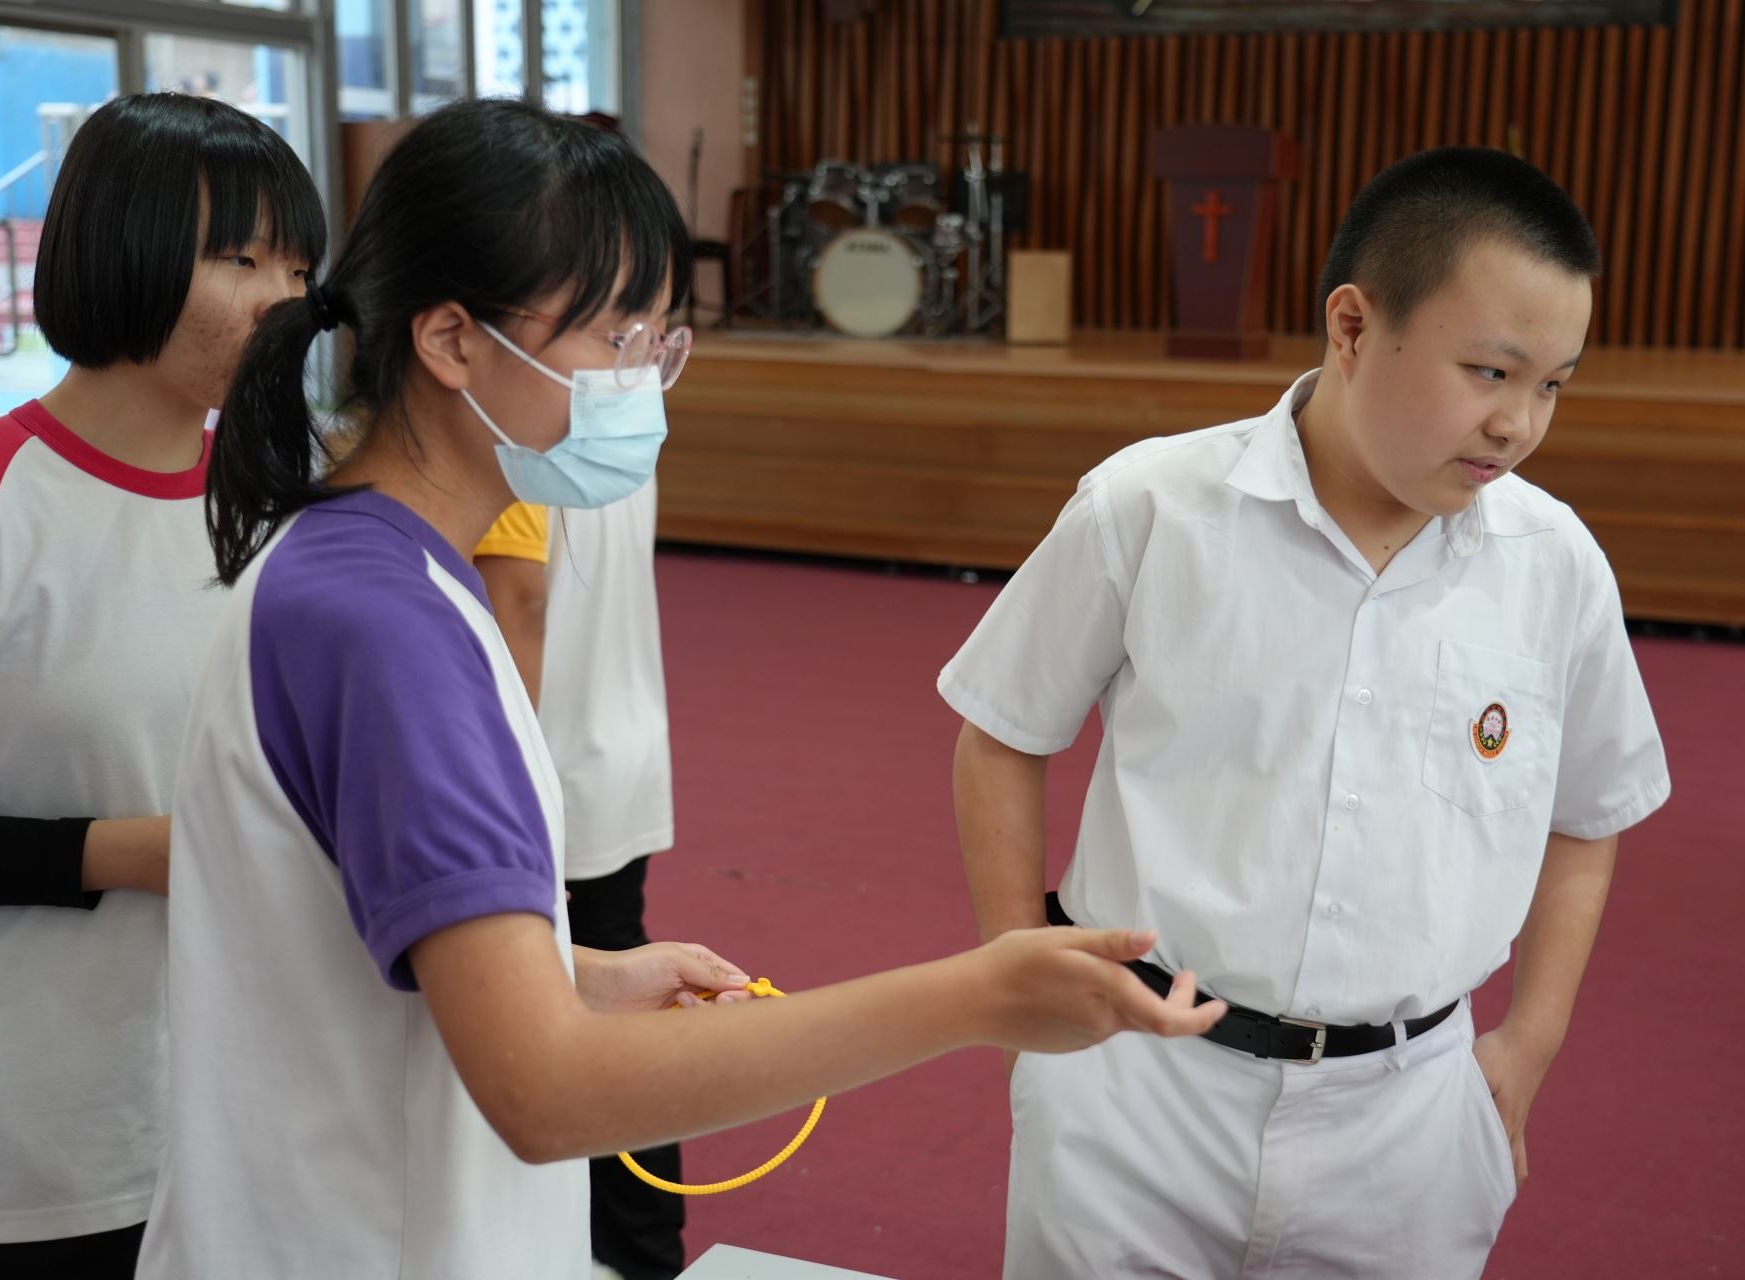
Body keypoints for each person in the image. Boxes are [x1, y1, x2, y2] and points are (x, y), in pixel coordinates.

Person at [136, 98, 1224, 1278]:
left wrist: (578, 970)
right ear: (450, 341)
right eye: (615, 339)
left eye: (659, 341)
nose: (641, 382)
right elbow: (544, 1089)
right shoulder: (383, 624)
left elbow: (345, 940)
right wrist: (973, 996)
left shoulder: (369, 571)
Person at [941, 147, 1672, 1279]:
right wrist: (1015, 984)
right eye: (1490, 370)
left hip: (1407, 1115)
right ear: (1352, 325)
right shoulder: (1153, 506)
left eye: (1553, 385)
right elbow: (1002, 730)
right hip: (1136, 1084)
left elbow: (1589, 814)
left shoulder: (1554, 563)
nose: (1518, 423)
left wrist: (1530, 1041)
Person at [0, 93, 322, 1274]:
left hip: (257, 1114)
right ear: (117, 246)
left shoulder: (289, 503)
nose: (283, 299)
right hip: (43, 1137)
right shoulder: (7, 496)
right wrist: (124, 851)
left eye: (298, 267)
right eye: (240, 259)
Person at [476, 485, 685, 1280]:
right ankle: (638, 1247)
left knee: (574, 1014)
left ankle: (634, 1248)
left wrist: (510, 803)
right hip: (612, 747)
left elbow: (516, 598)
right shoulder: (616, 409)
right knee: (613, 997)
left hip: (552, 770)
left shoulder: (505, 431)